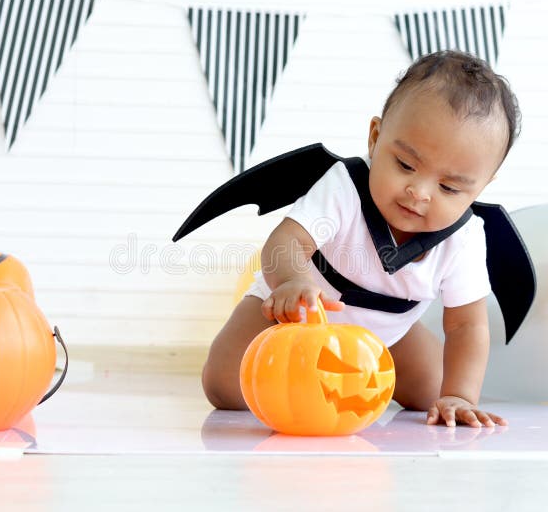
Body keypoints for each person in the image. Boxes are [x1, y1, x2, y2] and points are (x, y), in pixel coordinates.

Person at [202, 50, 520, 427]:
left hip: (388, 333)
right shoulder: (344, 186)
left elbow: (467, 326)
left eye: (449, 187)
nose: (418, 192)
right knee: (225, 386)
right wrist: (291, 281)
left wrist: (460, 395)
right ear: (375, 137)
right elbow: (284, 242)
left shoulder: (464, 237)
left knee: (434, 392)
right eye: (405, 165)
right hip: (291, 314)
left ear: (481, 186)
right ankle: (304, 373)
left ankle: (368, 375)